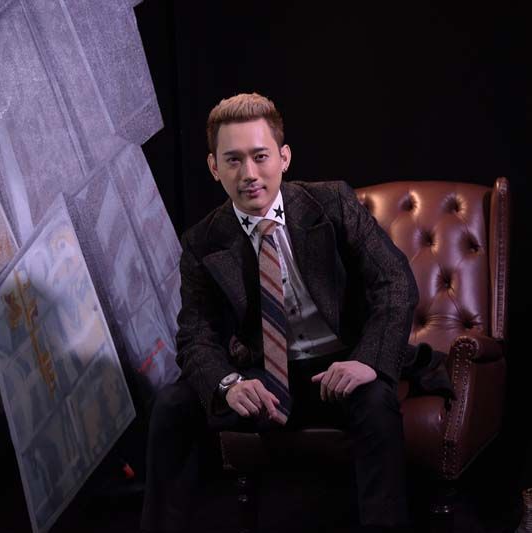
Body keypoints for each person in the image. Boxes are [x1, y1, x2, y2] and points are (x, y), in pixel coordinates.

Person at [140, 93, 420, 533]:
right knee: (172, 405)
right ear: (214, 167)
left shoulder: (331, 202)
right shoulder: (202, 241)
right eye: (233, 160)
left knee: (376, 403)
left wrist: (367, 361)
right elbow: (195, 335)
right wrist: (228, 384)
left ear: (284, 158)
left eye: (260, 156)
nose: (249, 174)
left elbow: (395, 282)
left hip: (341, 367)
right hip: (263, 379)